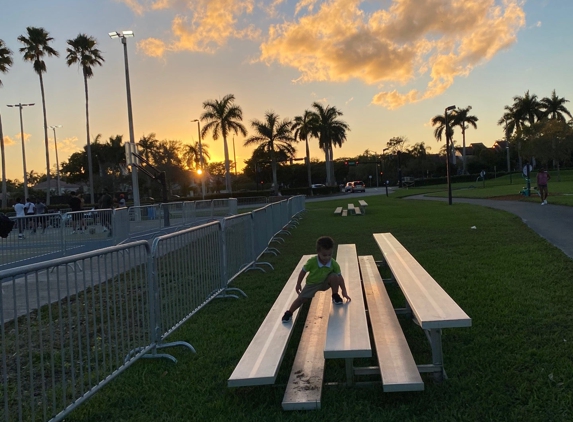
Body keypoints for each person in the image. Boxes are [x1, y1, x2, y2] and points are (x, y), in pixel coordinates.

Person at [282, 236, 351, 323]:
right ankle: (289, 313)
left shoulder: (333, 263)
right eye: (324, 255)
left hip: (325, 283)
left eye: (330, 254)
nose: (327, 257)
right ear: (318, 252)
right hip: (312, 284)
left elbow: (340, 278)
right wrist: (298, 283)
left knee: (334, 276)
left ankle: (335, 295)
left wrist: (344, 291)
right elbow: (303, 271)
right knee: (301, 299)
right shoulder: (312, 262)